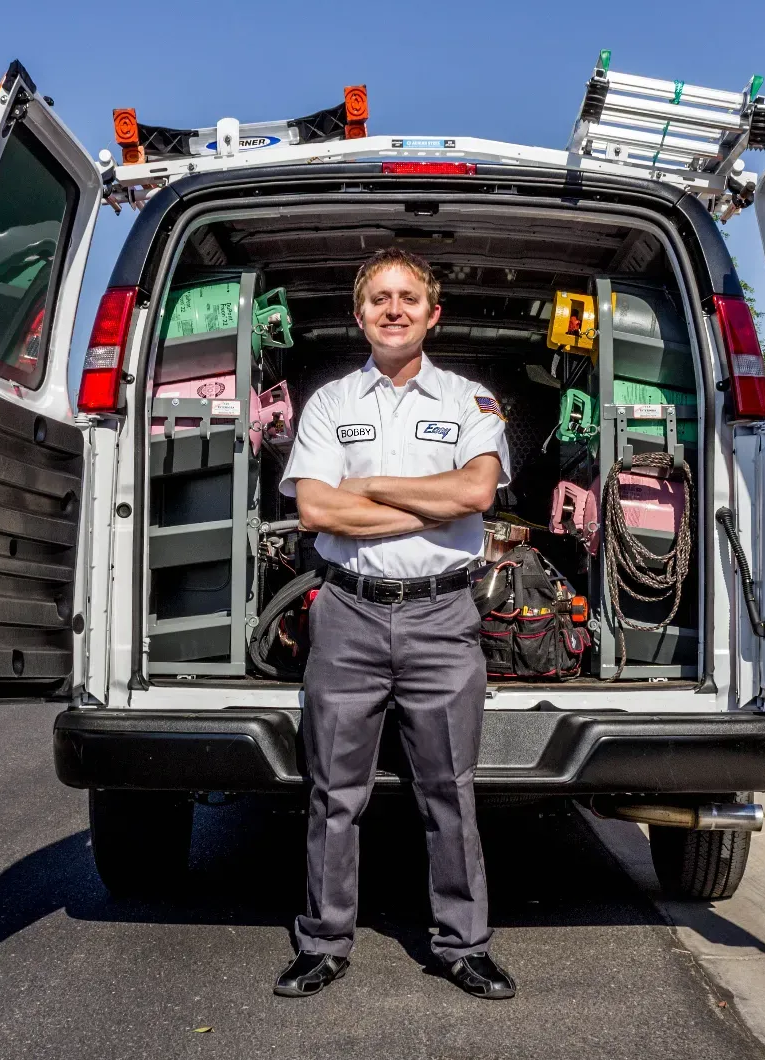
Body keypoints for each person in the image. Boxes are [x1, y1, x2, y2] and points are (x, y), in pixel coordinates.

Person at [273, 247, 516, 1001]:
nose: (394, 308)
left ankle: (463, 945)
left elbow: (475, 494)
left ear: (432, 313)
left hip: (443, 617)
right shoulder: (329, 403)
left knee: (449, 790)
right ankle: (322, 942)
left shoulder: (471, 401)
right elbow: (316, 510)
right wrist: (424, 501)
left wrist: (370, 484)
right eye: (379, 297)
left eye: (408, 297)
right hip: (346, 613)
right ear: (359, 314)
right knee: (333, 791)